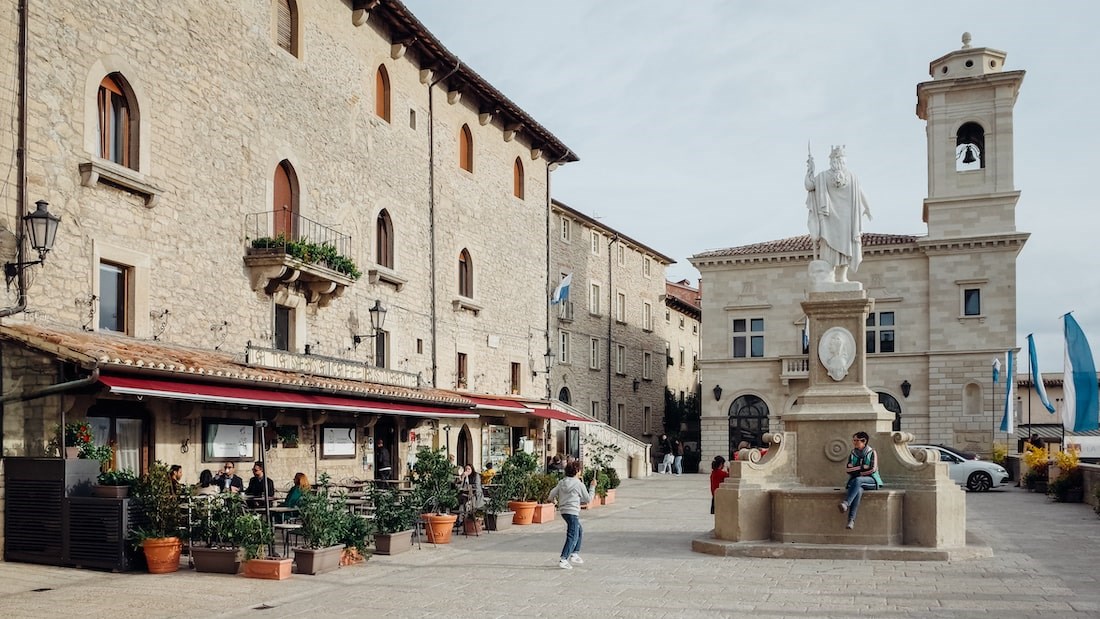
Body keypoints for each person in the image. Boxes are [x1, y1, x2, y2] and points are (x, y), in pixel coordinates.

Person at [805, 145, 872, 283]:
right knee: (828, 246)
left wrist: (867, 207)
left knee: (846, 247)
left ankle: (842, 277)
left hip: (847, 220)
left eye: (840, 158)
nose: (838, 161)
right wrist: (810, 170)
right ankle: (829, 277)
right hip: (828, 219)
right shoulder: (823, 176)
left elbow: (860, 192)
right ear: (831, 161)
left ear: (844, 160)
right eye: (835, 158)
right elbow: (809, 185)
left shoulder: (852, 177)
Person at [547, 460, 596, 570]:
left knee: (579, 530)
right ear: (577, 471)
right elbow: (588, 499)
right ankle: (564, 558)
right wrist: (592, 487)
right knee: (572, 535)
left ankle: (575, 553)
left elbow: (551, 494)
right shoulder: (578, 484)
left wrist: (553, 501)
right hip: (573, 512)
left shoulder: (562, 482)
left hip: (564, 511)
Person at [839, 431, 883, 530]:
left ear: (864, 441)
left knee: (858, 480)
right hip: (857, 482)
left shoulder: (872, 452)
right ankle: (851, 520)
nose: (854, 443)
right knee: (858, 490)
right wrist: (863, 467)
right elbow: (848, 469)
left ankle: (846, 503)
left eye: (856, 440)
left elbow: (872, 469)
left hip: (872, 481)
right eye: (853, 440)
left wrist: (858, 471)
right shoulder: (853, 453)